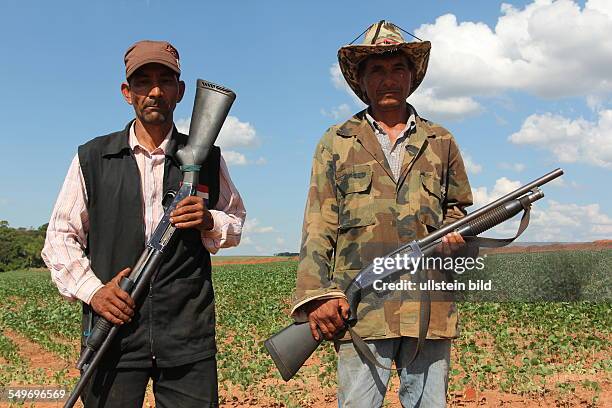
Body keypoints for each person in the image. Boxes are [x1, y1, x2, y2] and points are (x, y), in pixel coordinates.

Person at [42, 40, 246, 407]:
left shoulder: (207, 157)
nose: (154, 91)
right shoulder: (93, 156)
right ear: (127, 92)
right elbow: (59, 237)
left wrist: (208, 220)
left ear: (180, 92)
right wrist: (95, 292)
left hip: (187, 336)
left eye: (165, 81)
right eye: (142, 82)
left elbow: (235, 221)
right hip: (113, 334)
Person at [292, 21, 473, 407]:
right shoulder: (335, 142)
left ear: (412, 76)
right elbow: (317, 226)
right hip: (361, 310)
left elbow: (459, 211)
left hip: (428, 307)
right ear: (361, 79)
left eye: (397, 69)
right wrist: (317, 296)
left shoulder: (441, 141)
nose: (388, 78)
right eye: (376, 69)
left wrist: (457, 235)